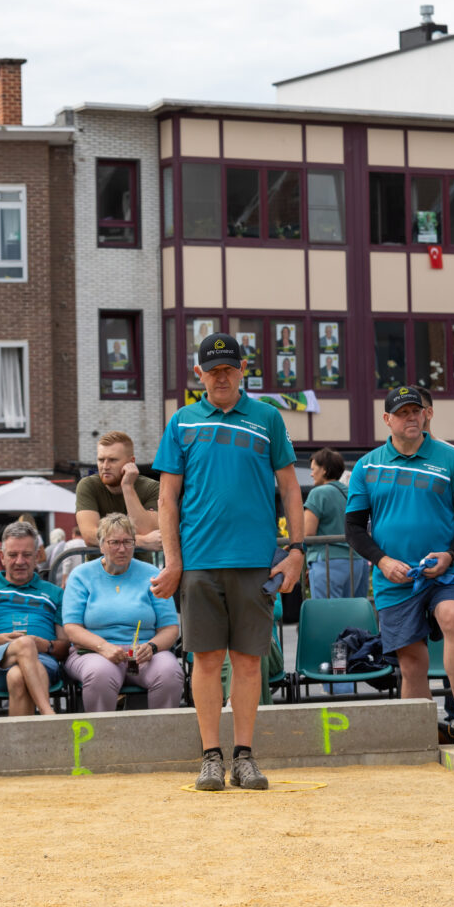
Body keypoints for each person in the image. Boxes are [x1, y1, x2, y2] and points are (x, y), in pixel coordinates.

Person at [153, 332, 303, 792]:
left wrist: (296, 550)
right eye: (212, 370)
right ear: (199, 374)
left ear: (243, 372)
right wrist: (174, 562)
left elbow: (291, 488)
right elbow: (167, 497)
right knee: (205, 660)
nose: (221, 376)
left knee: (249, 662)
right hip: (199, 562)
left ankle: (244, 756)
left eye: (229, 368)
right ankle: (210, 757)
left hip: (255, 561)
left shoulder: (267, 418)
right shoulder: (181, 422)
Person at [346, 387, 454, 744]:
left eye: (416, 411)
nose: (411, 417)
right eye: (402, 412)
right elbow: (354, 528)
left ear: (426, 414)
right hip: (395, 577)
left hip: (443, 570)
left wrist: (450, 555)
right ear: (387, 420)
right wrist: (383, 560)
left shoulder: (450, 459)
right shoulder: (367, 465)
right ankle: (422, 736)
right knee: (412, 664)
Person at [62, 514, 183, 711]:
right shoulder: (81, 576)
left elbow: (169, 628)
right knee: (99, 675)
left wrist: (152, 647)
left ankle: (161, 737)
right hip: (95, 651)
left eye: (128, 542)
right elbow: (72, 628)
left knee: (169, 673)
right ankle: (102, 739)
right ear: (101, 546)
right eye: (114, 542)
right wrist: (103, 647)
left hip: (143, 652)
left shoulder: (151, 574)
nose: (122, 548)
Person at [0, 521, 69, 716]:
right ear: (2, 557)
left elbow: (64, 647)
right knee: (24, 644)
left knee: (18, 676)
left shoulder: (55, 593)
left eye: (27, 555)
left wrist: (44, 645)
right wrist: (4, 641)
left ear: (37, 556)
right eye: (13, 555)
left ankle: (21, 746)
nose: (20, 561)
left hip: (43, 662)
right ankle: (49, 714)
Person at [75, 432, 162, 551]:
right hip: (100, 567)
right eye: (101, 460)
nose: (105, 466)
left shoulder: (152, 488)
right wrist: (141, 541)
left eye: (112, 460)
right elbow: (90, 536)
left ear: (131, 462)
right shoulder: (88, 485)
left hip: (140, 567)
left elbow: (147, 530)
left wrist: (127, 487)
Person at [303, 448, 369, 602]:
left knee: (328, 617)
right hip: (357, 561)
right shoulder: (352, 492)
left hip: (328, 562)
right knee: (353, 617)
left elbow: (308, 532)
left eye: (313, 469)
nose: (311, 474)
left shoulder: (318, 493)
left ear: (324, 470)